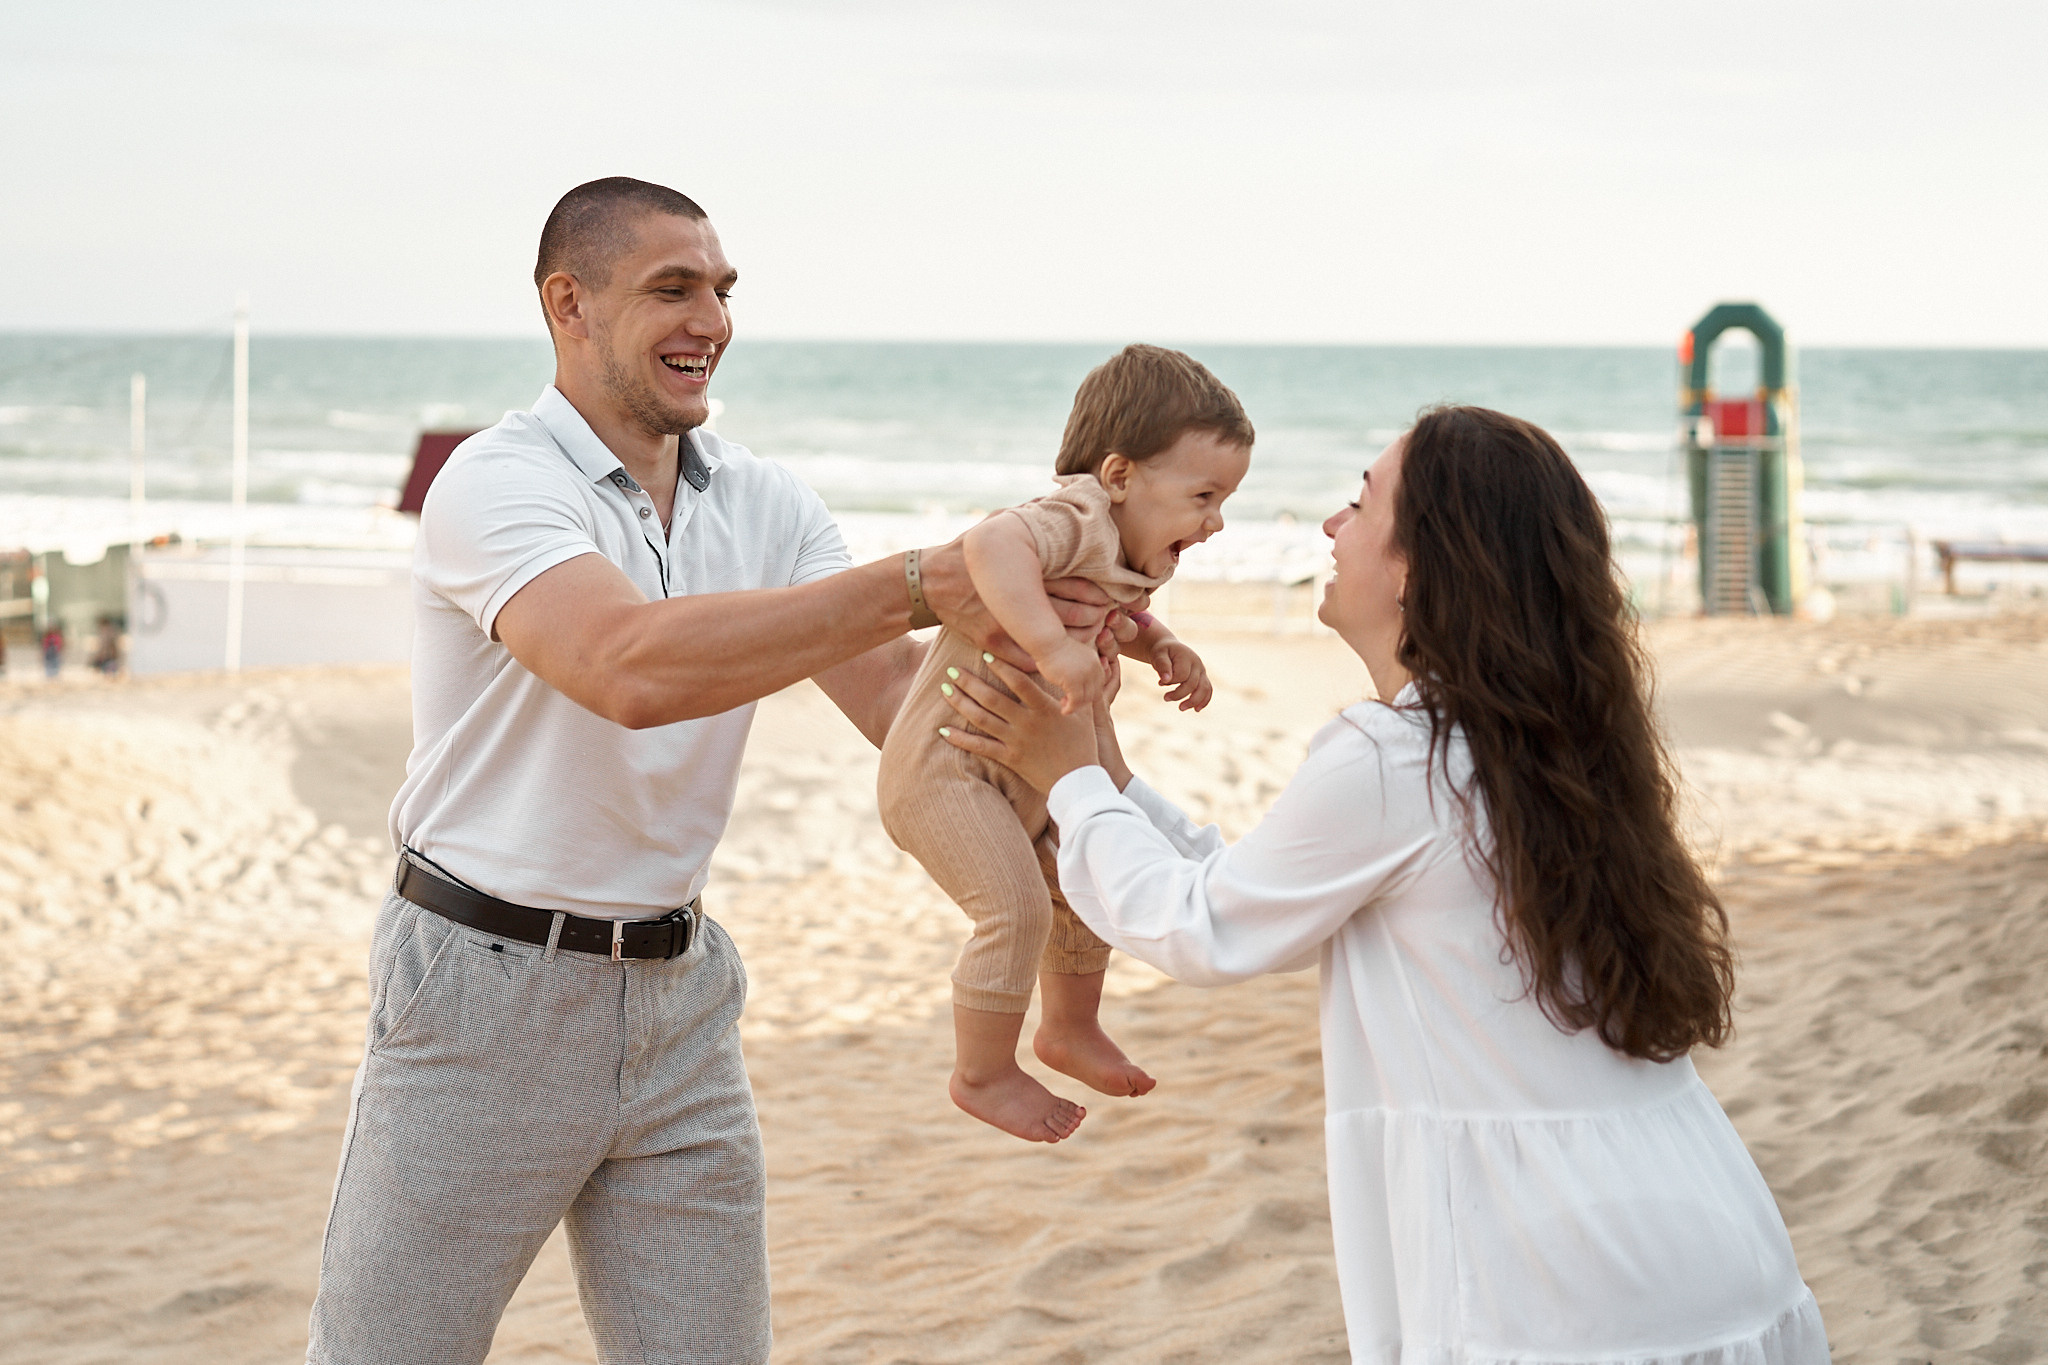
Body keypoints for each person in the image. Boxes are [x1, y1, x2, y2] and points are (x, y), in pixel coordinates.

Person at [305, 177, 1124, 1365]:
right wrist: (917, 582)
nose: (712, 319)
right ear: (568, 304)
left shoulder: (766, 499)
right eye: (672, 289)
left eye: (723, 290)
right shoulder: (495, 482)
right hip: (485, 996)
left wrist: (1060, 693)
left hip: (684, 996)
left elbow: (899, 703)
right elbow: (626, 670)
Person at [938, 406, 1830, 1362]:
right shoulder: (1535, 746)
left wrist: (1069, 779)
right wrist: (1092, 763)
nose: (1332, 527)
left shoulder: (1395, 756)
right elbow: (1255, 885)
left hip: (1562, 1280)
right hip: (1710, 1236)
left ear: (1417, 566)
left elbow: (1200, 927)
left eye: (1360, 506)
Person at [878, 344, 1249, 1143]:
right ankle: (981, 1072)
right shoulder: (1075, 514)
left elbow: (1118, 610)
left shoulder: (1123, 547)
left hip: (1026, 765)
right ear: (1118, 476)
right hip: (950, 771)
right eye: (1204, 496)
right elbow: (990, 546)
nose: (1215, 522)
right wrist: (1050, 646)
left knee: (1080, 881)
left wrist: (1163, 644)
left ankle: (1068, 1029)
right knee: (1012, 906)